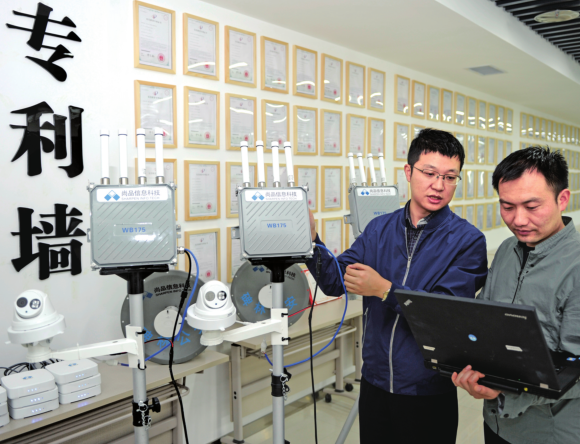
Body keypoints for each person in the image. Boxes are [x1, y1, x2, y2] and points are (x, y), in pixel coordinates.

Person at [307, 128, 488, 443]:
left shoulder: (467, 241)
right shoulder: (379, 229)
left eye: (449, 177)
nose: (438, 185)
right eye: (429, 173)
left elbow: (443, 314)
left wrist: (385, 290)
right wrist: (311, 241)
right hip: (375, 383)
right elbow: (335, 280)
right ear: (408, 171)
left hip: (427, 390)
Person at [452, 147, 580, 444]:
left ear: (562, 199)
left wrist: (505, 389)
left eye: (532, 206)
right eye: (507, 206)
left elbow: (575, 370)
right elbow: (483, 318)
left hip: (549, 433)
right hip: (496, 423)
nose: (518, 220)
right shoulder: (508, 250)